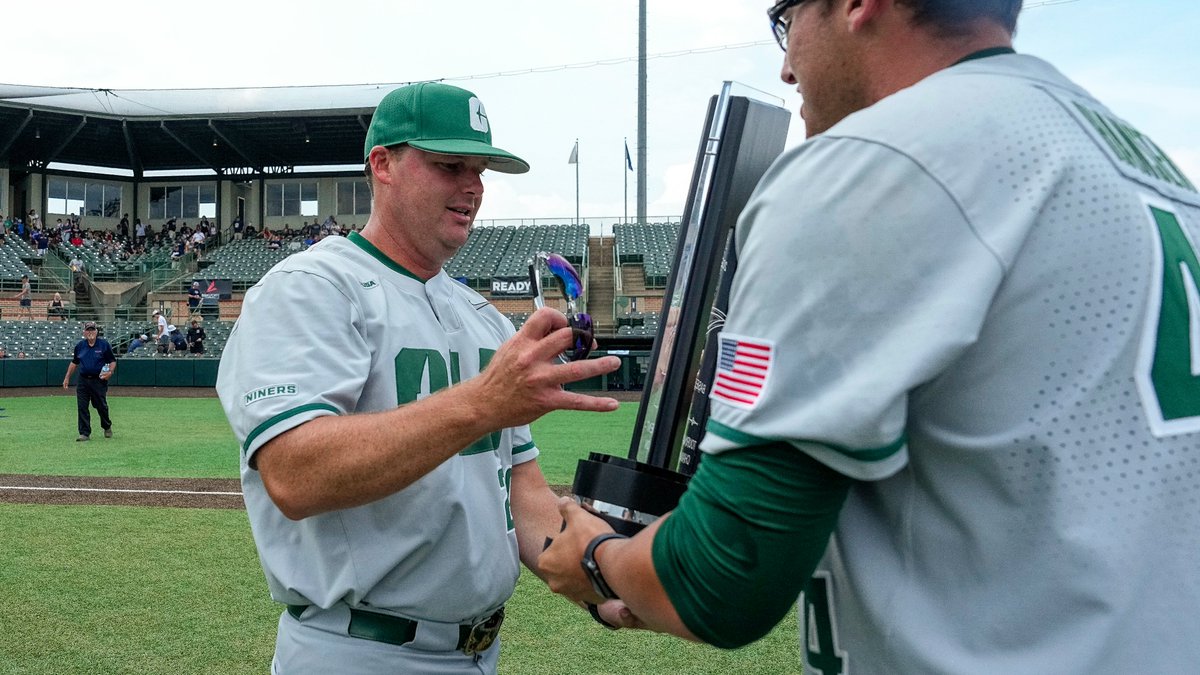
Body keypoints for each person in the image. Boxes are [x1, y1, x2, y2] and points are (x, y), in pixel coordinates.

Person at [538, 1, 1200, 672]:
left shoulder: (869, 161)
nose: (786, 66)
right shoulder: (1147, 164)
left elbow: (724, 572)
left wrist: (597, 557)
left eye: (786, 18)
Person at [216, 82, 626, 675]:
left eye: (480, 169)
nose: (473, 186)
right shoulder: (310, 287)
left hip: (481, 652)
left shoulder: (482, 315)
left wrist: (604, 569)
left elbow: (521, 491)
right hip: (358, 650)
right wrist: (482, 404)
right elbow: (295, 473)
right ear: (382, 164)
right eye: (448, 165)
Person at [62, 321, 115, 441]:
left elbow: (112, 361)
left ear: (96, 332)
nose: (90, 332)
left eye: (92, 330)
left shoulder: (104, 345)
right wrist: (67, 377)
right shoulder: (80, 346)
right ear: (84, 332)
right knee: (82, 406)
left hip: (99, 380)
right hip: (83, 380)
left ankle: (106, 426)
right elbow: (74, 362)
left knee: (101, 406)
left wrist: (110, 372)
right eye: (88, 330)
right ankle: (84, 433)